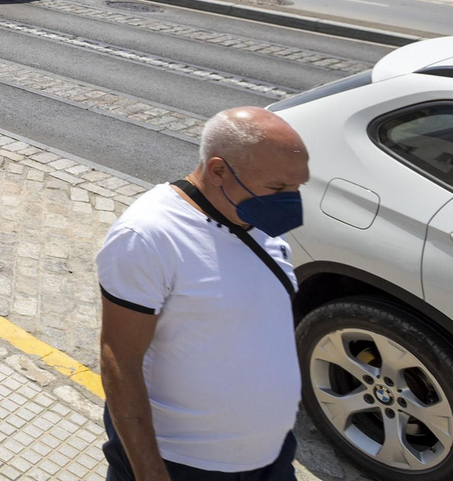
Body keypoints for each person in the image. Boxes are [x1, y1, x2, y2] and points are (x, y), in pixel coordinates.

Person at [97, 107, 309, 481]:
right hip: (184, 465)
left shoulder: (258, 222)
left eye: (298, 186)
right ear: (218, 170)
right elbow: (119, 360)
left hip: (272, 457)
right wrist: (149, 471)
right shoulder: (148, 236)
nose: (291, 199)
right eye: (278, 189)